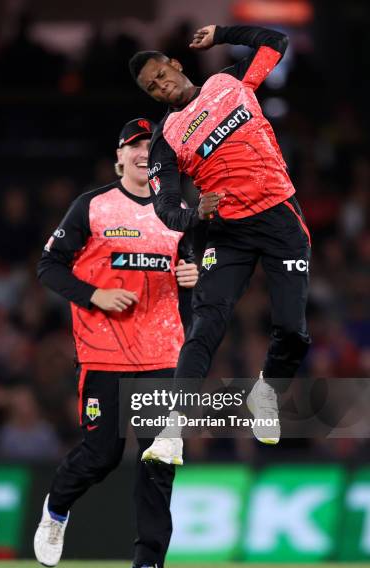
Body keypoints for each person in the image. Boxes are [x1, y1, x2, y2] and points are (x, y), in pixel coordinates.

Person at [129, 24, 311, 460]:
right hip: (226, 232)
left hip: (279, 218)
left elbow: (276, 43)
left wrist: (223, 34)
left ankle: (267, 390)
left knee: (293, 330)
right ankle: (171, 429)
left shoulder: (229, 82)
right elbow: (166, 209)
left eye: (161, 74)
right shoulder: (165, 140)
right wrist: (196, 214)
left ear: (175, 64)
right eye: (152, 87)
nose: (161, 86)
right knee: (206, 324)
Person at [33, 118, 199, 568]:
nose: (145, 152)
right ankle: (56, 509)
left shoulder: (179, 212)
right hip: (104, 353)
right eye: (136, 146)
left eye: (152, 145)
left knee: (159, 460)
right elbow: (49, 266)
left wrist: (194, 278)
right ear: (119, 158)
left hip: (163, 352)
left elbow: (192, 271)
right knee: (102, 455)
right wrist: (93, 295)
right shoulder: (93, 206)